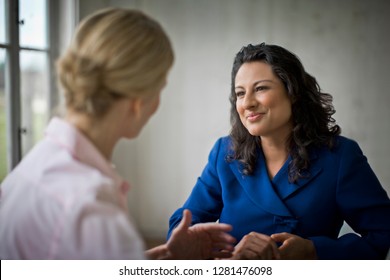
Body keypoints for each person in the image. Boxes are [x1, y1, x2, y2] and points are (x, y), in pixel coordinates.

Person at [0, 8, 236, 260]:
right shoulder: (92, 209)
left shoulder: (32, 167)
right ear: (137, 102)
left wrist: (170, 257)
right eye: (159, 88)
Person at [168, 43, 390, 260]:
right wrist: (226, 259)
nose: (247, 103)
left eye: (261, 88)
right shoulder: (224, 153)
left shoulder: (340, 157)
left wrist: (314, 251)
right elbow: (185, 226)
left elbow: (383, 233)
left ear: (293, 92)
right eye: (240, 93)